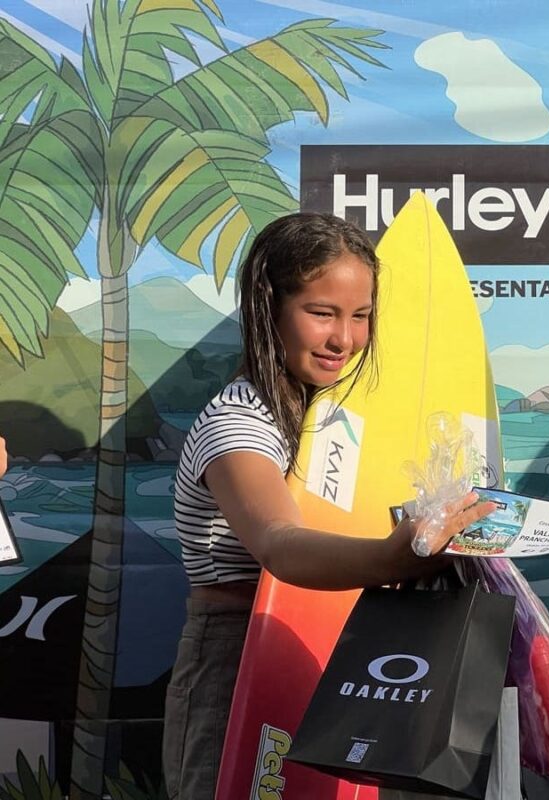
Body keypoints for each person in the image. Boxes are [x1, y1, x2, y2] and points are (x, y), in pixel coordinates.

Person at [163, 213, 494, 800]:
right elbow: (278, 544)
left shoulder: (341, 418)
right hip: (239, 654)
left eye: (361, 316)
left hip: (342, 649)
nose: (345, 339)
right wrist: (392, 557)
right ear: (269, 309)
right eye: (322, 313)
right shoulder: (237, 424)